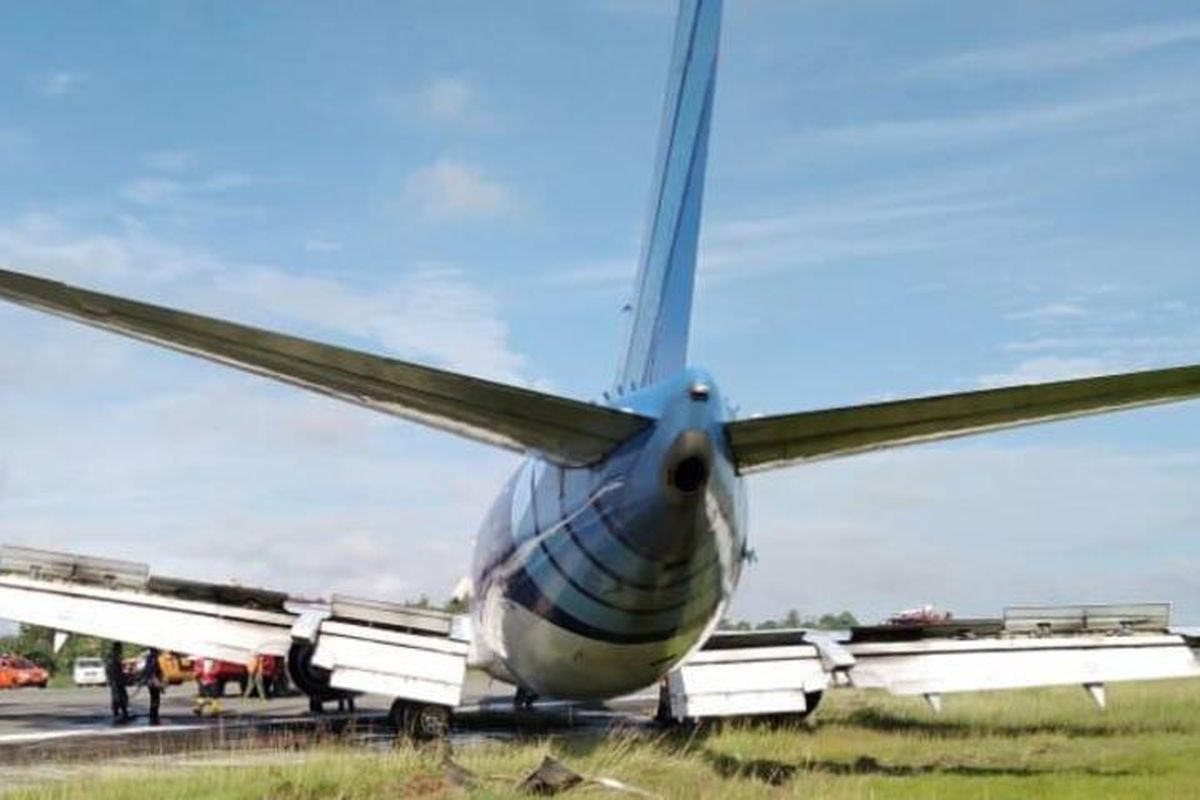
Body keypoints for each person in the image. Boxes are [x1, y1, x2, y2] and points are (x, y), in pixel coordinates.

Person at [138, 648, 165, 725]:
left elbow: (147, 670)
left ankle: (153, 715)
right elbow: (154, 670)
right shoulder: (153, 659)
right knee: (155, 699)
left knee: (153, 698)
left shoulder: (149, 658)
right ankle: (154, 716)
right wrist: (158, 682)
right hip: (153, 681)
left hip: (151, 681)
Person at [104, 641, 129, 724]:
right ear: (117, 648)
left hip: (116, 680)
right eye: (120, 648)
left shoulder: (113, 656)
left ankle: (120, 712)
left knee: (120, 696)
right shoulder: (113, 657)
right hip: (116, 680)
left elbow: (110, 669)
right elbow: (113, 670)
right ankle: (119, 713)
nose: (121, 650)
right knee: (119, 697)